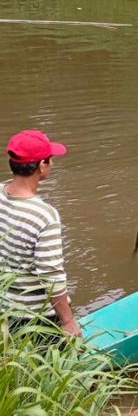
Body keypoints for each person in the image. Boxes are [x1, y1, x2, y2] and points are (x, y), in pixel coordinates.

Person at [0, 130, 80, 337]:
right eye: (50, 160)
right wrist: (68, 322)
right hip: (35, 317)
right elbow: (51, 275)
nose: (52, 164)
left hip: (5, 308)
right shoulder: (44, 216)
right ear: (42, 166)